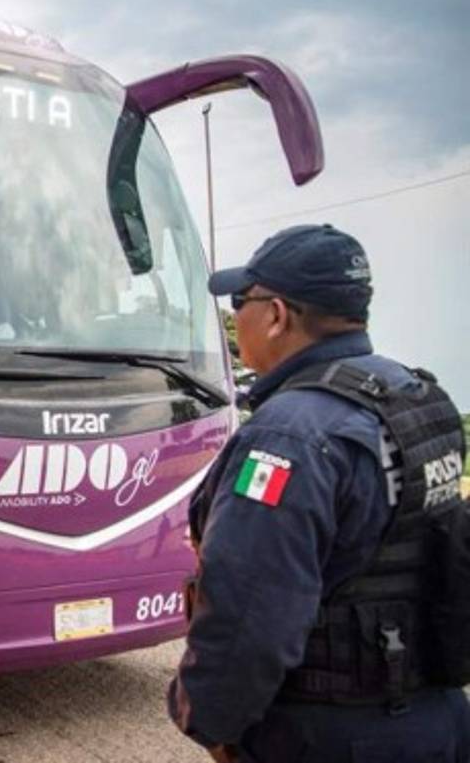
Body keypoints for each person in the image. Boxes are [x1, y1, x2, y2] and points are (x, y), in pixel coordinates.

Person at [168, 224, 470, 763]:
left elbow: (248, 618)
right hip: (440, 720)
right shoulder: (420, 398)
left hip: (328, 734)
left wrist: (211, 723)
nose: (236, 317)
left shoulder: (287, 438)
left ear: (277, 315)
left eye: (242, 300)